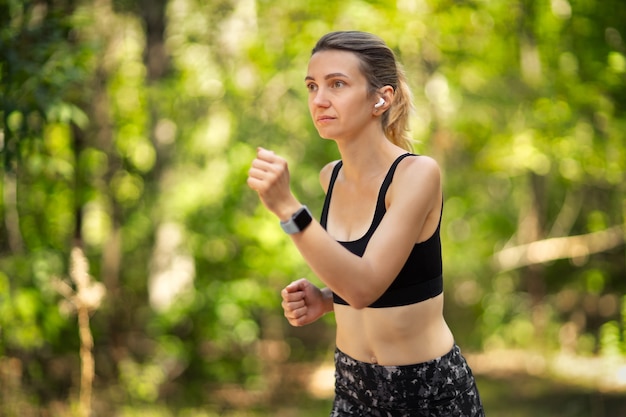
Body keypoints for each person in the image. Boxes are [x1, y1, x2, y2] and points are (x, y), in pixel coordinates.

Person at [247, 31, 484, 416]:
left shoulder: (416, 174)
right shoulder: (331, 177)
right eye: (312, 86)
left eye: (337, 84)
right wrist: (326, 298)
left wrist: (289, 209)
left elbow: (364, 286)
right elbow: (373, 283)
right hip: (353, 386)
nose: (319, 99)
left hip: (426, 391)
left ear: (381, 98)